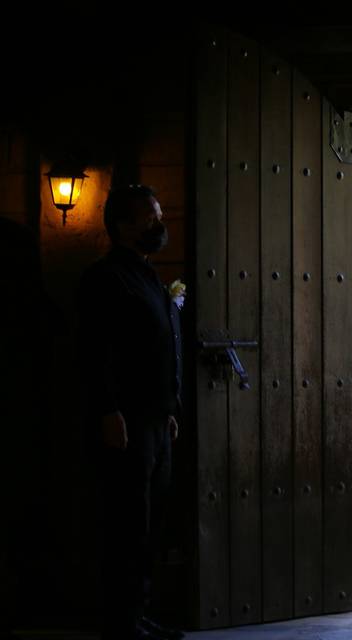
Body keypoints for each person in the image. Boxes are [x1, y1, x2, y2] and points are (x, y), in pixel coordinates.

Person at [76, 184, 184, 639]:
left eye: (159, 215)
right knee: (126, 523)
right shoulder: (105, 279)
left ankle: (138, 613)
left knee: (150, 520)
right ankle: (120, 621)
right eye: (149, 217)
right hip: (126, 422)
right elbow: (93, 351)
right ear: (122, 225)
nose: (158, 224)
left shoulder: (149, 275)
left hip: (157, 421)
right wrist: (108, 410)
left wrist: (169, 409)